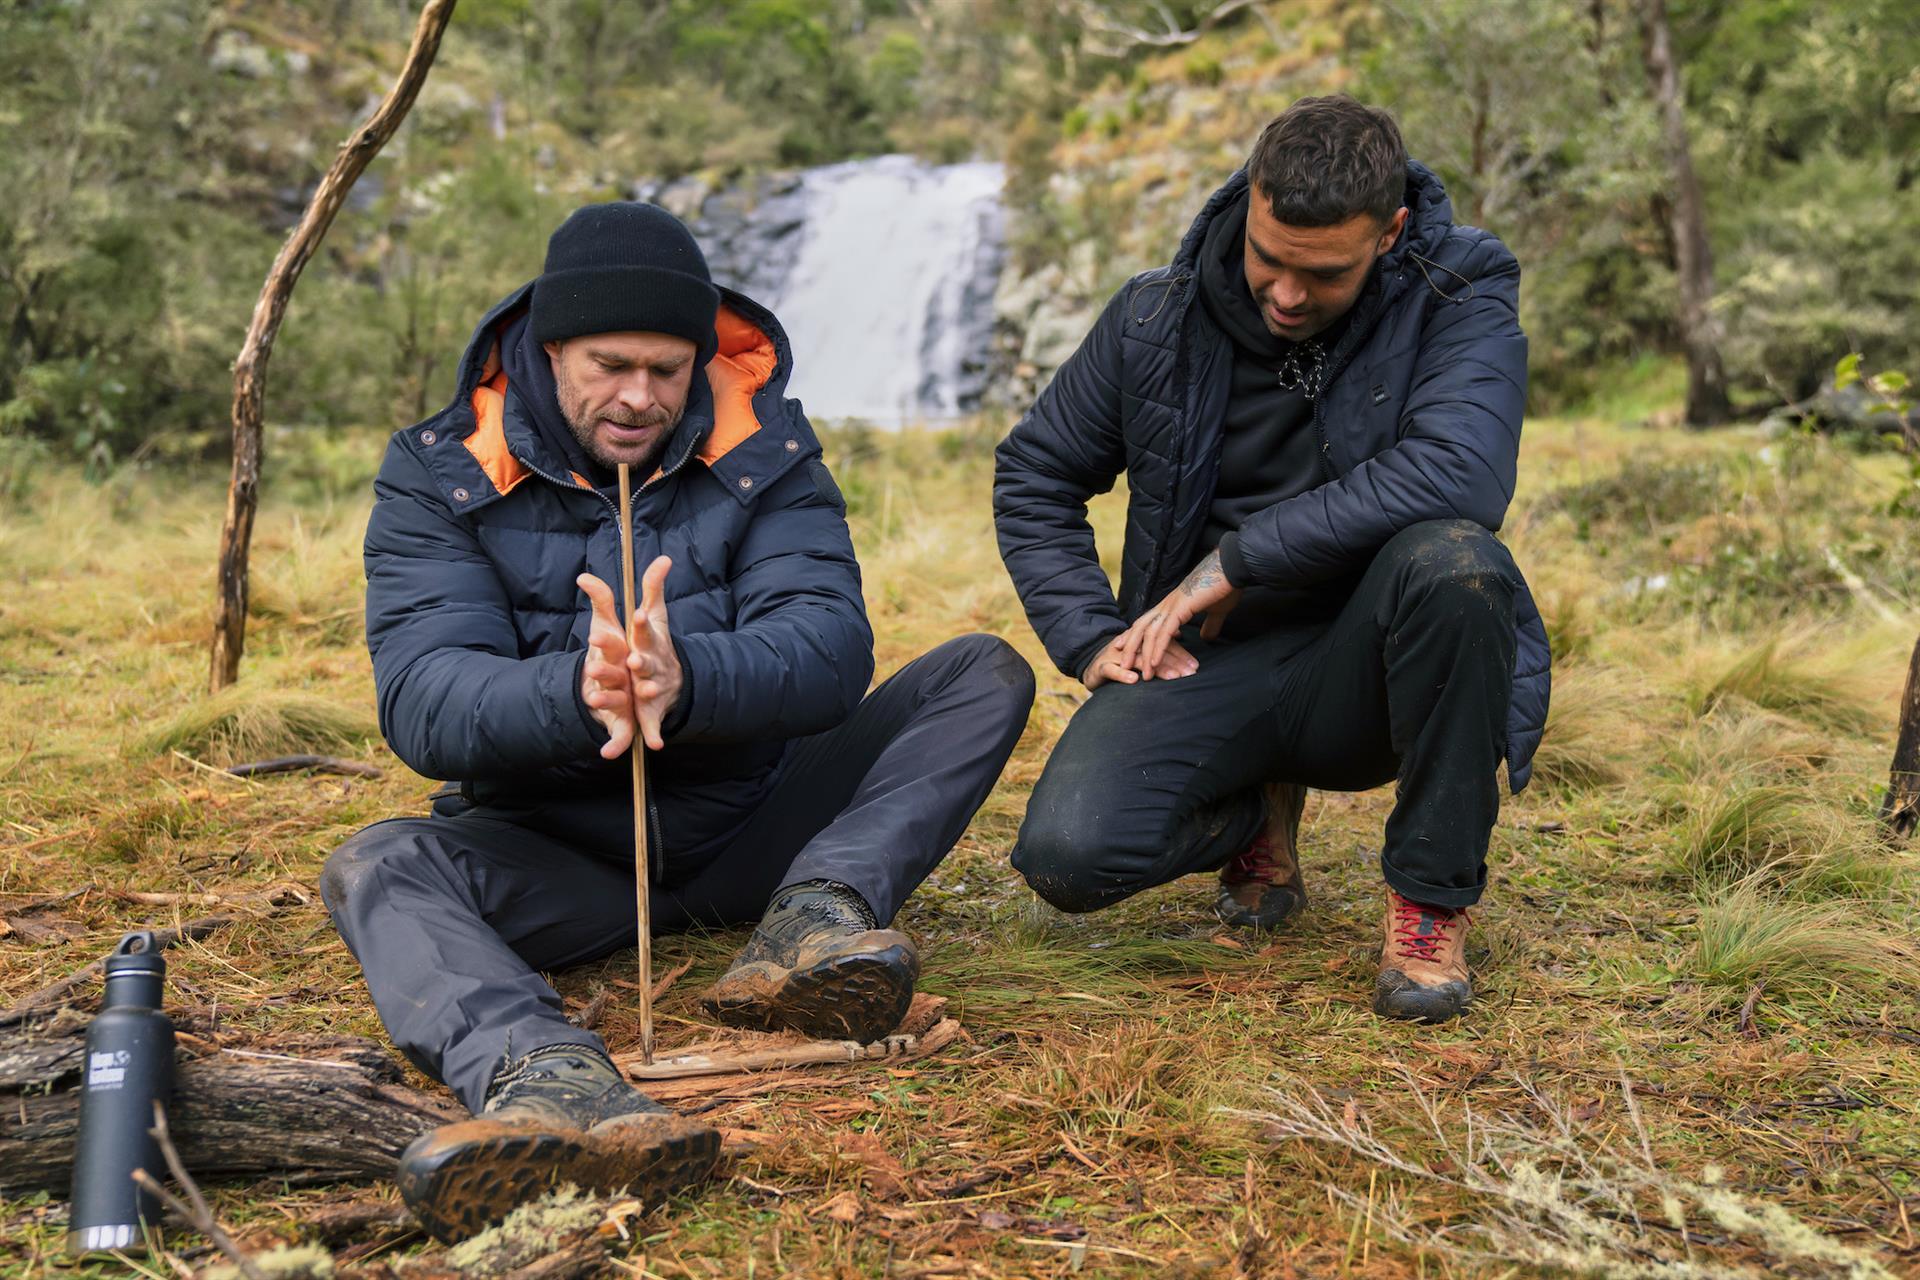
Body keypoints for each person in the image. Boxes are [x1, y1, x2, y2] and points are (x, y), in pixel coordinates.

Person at [320, 201, 1035, 1241]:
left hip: (757, 817)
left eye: (668, 369)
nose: (640, 396)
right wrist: (584, 691)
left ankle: (813, 923)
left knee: (980, 672)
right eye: (611, 364)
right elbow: (425, 697)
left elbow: (831, 645)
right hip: (560, 852)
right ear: (548, 345)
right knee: (377, 866)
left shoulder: (766, 449)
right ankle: (548, 1078)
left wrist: (686, 677)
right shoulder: (441, 471)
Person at [993, 95, 1549, 1025]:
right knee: (1068, 857)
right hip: (1208, 660)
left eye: (1322, 274)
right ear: (1248, 203)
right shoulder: (1152, 315)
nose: (1287, 296)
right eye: (1269, 260)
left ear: (1391, 232)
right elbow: (1036, 474)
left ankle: (1429, 903)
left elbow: (1463, 473)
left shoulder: (1460, 287)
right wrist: (1089, 637)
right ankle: (1256, 813)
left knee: (1461, 567)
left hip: (1374, 662)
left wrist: (1240, 559)